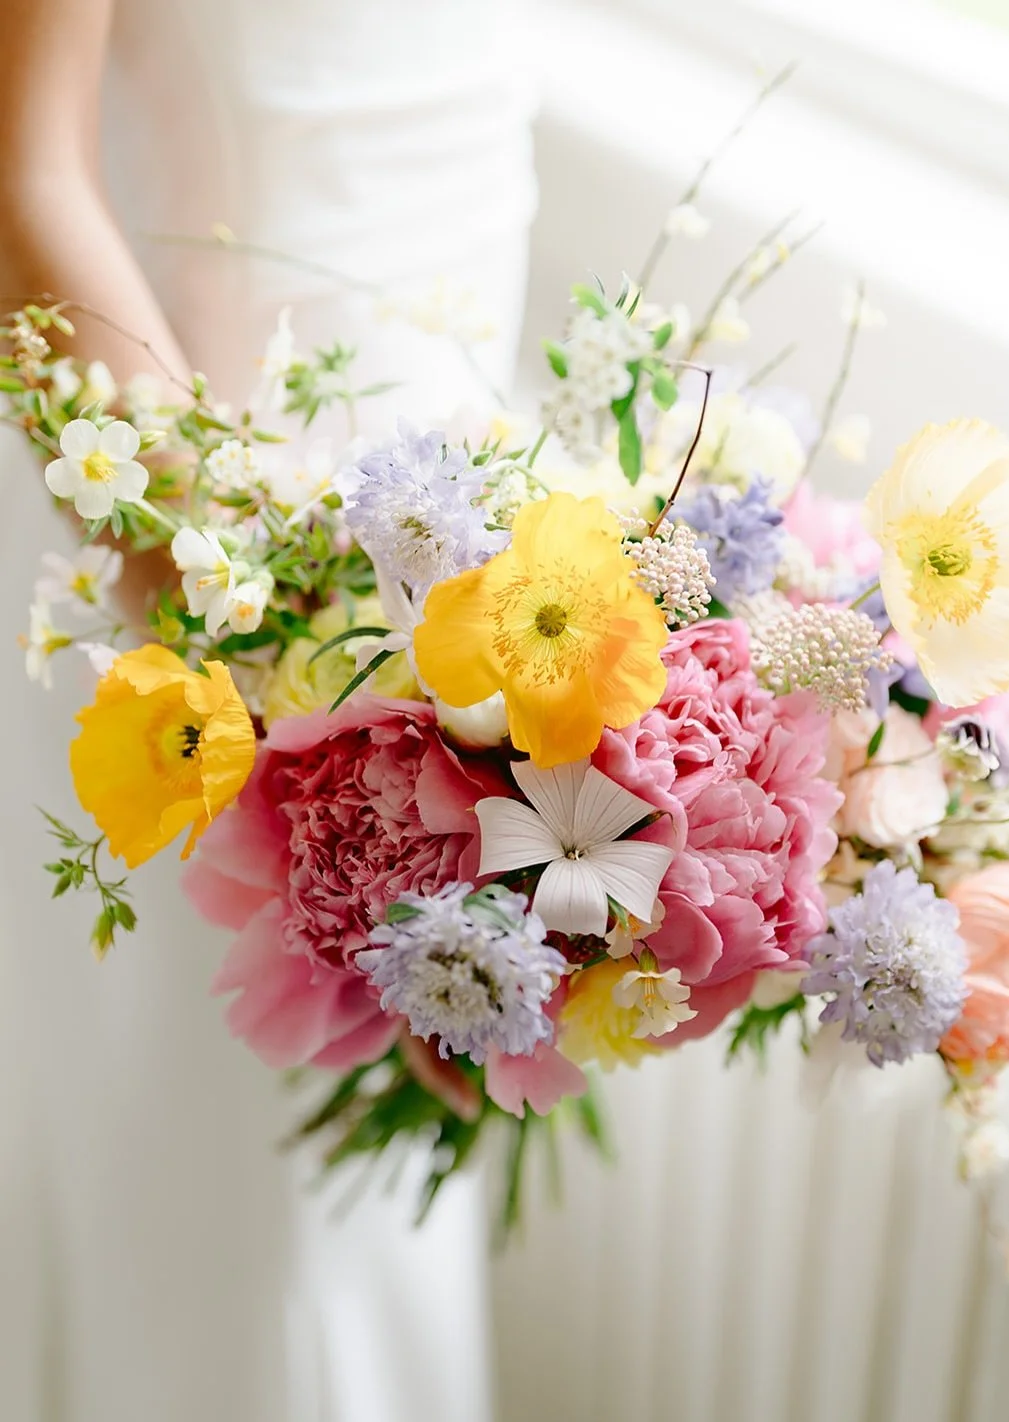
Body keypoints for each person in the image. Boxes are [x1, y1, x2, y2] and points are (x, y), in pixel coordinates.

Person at [0, 3, 536, 1419]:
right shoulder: (249, 626)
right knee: (242, 1226)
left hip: (472, 520)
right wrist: (277, 655)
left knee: (360, 1211)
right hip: (206, 576)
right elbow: (24, 183)